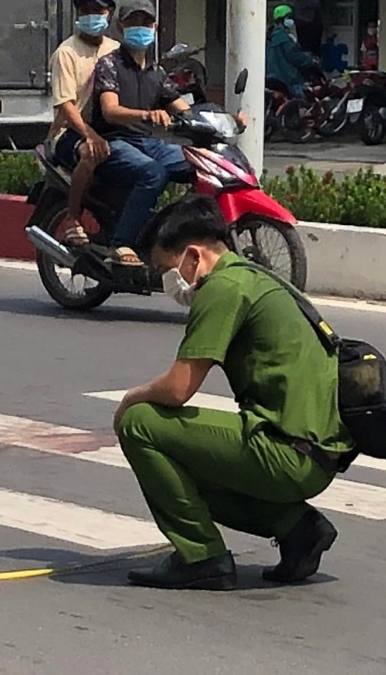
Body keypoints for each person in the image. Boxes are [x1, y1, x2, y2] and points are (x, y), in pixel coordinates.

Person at [112, 194, 354, 590]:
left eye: (166, 268)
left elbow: (177, 389)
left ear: (193, 255)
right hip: (317, 454)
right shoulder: (255, 277)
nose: (166, 281)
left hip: (287, 454)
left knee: (141, 423)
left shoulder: (223, 288)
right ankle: (297, 528)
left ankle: (201, 556)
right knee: (181, 464)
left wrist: (128, 400)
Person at [88, 0, 194, 267]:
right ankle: (121, 242)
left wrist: (224, 120)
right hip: (115, 141)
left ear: (155, 28)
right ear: (121, 27)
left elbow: (183, 108)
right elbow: (110, 110)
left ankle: (176, 232)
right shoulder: (109, 65)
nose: (140, 28)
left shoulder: (155, 71)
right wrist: (147, 114)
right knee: (152, 173)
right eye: (134, 22)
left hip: (147, 142)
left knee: (198, 165)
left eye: (146, 23)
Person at [48, 0, 120, 248]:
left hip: (109, 130)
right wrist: (89, 134)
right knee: (90, 153)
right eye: (85, 11)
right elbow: (65, 106)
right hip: (70, 132)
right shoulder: (66, 53)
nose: (92, 16)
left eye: (97, 11)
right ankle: (72, 218)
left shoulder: (116, 50)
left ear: (108, 13)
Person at [266, 5, 316, 99]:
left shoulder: (271, 38)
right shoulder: (285, 39)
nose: (292, 21)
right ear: (282, 20)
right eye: (289, 18)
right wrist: (310, 59)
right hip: (288, 80)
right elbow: (295, 56)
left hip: (272, 78)